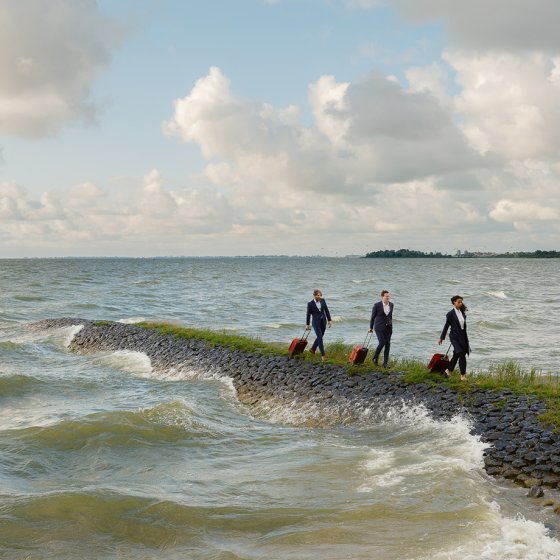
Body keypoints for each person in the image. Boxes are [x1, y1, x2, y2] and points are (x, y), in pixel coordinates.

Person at [438, 295, 471, 381]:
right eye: (459, 302)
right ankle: (463, 376)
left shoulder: (462, 313)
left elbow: (463, 327)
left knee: (456, 355)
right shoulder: (450, 314)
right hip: (454, 337)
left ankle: (448, 370)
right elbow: (446, 326)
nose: (460, 303)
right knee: (461, 354)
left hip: (462, 337)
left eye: (461, 302)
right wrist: (442, 337)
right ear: (454, 302)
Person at [369, 290, 393, 367]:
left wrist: (391, 324)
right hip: (379, 327)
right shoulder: (377, 305)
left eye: (388, 296)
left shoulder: (391, 305)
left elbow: (390, 316)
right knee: (382, 343)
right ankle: (375, 358)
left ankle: (385, 363)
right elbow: (373, 317)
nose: (388, 297)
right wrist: (371, 327)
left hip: (388, 327)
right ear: (382, 297)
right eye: (386, 296)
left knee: (388, 344)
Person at [305, 289, 332, 361]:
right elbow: (308, 315)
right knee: (320, 338)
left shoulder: (323, 300)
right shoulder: (310, 304)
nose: (319, 296)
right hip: (316, 323)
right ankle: (323, 355)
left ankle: (313, 349)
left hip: (323, 321)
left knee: (321, 336)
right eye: (317, 295)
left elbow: (326, 310)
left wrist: (329, 320)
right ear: (314, 295)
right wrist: (307, 324)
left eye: (320, 295)